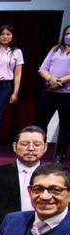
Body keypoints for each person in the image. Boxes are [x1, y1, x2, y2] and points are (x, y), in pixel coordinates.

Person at [0, 126, 47, 231]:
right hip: (6, 232)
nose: (31, 148)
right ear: (15, 146)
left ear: (45, 147)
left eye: (37, 144)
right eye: (25, 144)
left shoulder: (55, 175)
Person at [36, 25, 70, 164]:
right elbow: (42, 68)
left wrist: (62, 80)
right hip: (50, 91)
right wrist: (51, 79)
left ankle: (59, 156)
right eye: (67, 33)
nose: (69, 36)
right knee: (40, 123)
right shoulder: (55, 49)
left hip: (68, 94)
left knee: (66, 126)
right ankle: (37, 152)